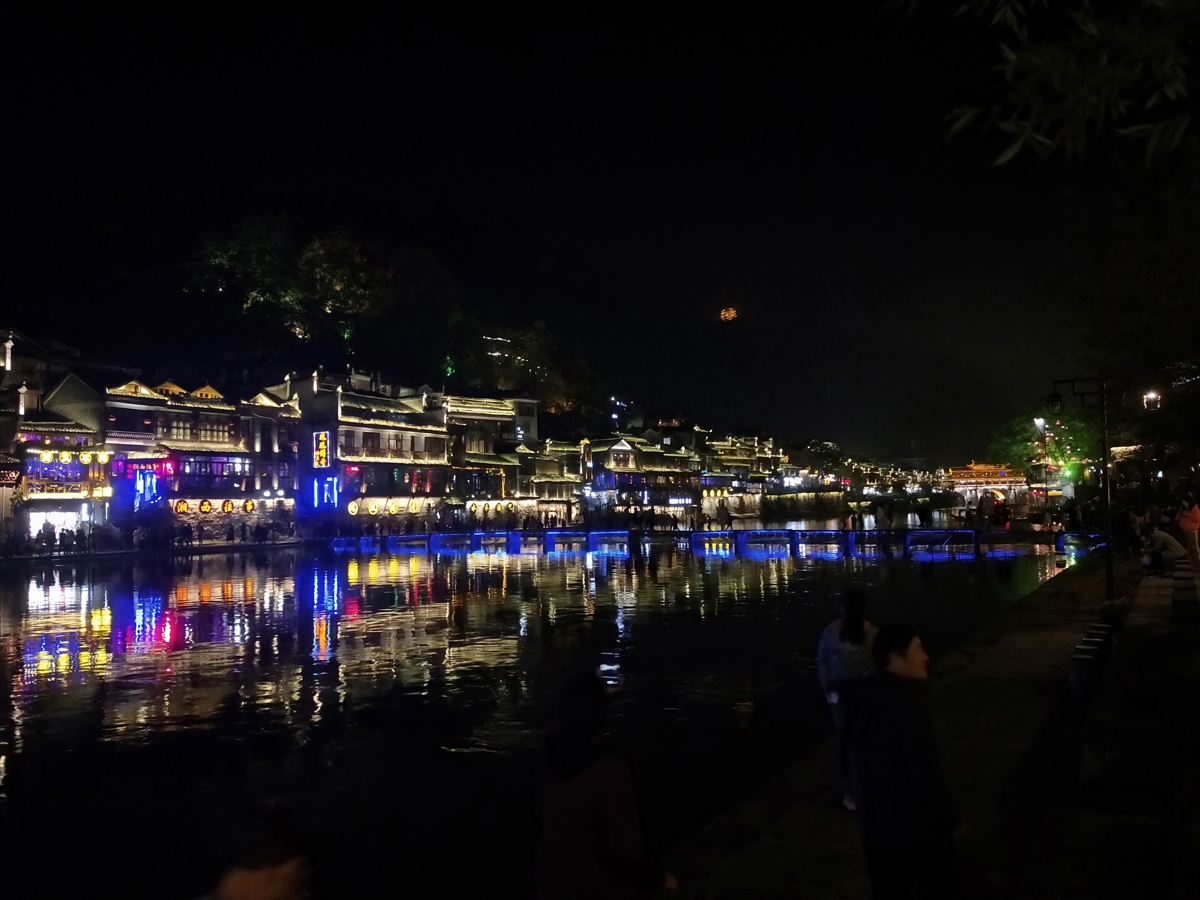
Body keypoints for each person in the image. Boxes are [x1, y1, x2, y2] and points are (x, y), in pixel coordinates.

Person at [535, 669, 677, 900]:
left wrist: (598, 696)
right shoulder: (608, 770)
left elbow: (573, 720)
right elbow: (629, 850)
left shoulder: (543, 752)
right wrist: (659, 878)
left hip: (552, 881)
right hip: (598, 887)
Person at [843, 624, 959, 900]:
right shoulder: (905, 706)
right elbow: (923, 772)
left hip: (875, 830)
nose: (926, 657)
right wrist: (948, 822)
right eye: (917, 650)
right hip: (910, 831)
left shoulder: (863, 697)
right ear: (895, 658)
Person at [816, 589, 877, 810]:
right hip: (866, 694)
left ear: (842, 608)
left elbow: (823, 664)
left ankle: (849, 792)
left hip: (840, 695)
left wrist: (827, 692)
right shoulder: (873, 634)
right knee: (867, 741)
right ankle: (870, 786)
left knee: (844, 743)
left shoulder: (830, 633)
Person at [1174, 496, 1200, 565]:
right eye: (1183, 502)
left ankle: (1197, 561)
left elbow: (1197, 519)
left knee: (1194, 547)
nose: (1184, 504)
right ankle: (1192, 562)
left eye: (1185, 502)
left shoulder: (1195, 508)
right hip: (1185, 531)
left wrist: (1186, 514)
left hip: (1192, 531)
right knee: (1189, 548)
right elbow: (1177, 518)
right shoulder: (1182, 509)